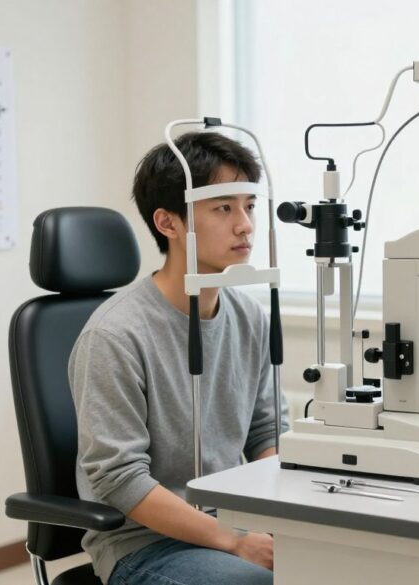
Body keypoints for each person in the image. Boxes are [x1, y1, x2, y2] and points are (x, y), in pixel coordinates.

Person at [69, 131, 287, 585]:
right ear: (168, 224)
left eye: (249, 205)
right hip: (144, 545)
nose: (245, 224)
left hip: (234, 522)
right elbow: (120, 478)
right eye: (223, 207)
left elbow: (265, 431)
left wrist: (275, 517)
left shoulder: (249, 317)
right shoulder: (115, 335)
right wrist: (234, 539)